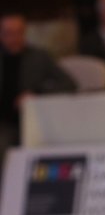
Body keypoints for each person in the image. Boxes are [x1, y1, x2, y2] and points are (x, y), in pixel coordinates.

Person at [0, 12, 76, 168]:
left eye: (19, 32)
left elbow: (69, 84)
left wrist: (37, 95)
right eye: (8, 33)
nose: (14, 38)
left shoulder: (39, 56)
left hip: (33, 119)